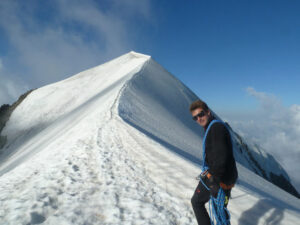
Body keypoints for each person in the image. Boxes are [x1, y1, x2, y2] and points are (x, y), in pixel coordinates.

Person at [190, 99, 238, 225]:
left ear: (208, 112)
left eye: (201, 114)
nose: (199, 119)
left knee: (197, 202)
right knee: (220, 211)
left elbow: (221, 156)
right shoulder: (212, 126)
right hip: (223, 177)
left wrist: (213, 181)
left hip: (218, 178)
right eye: (195, 118)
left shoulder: (216, 128)